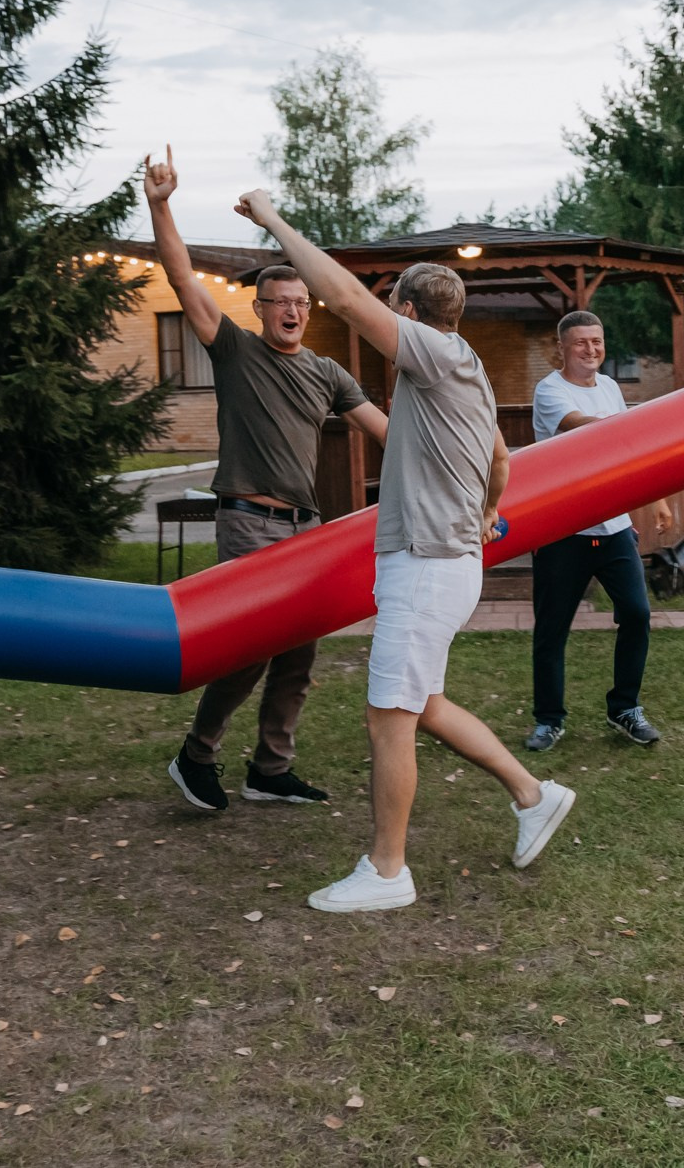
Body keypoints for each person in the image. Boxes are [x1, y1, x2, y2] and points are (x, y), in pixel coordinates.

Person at [233, 188, 576, 913]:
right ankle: (533, 792)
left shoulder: (437, 354)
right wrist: (483, 513)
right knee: (424, 705)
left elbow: (348, 299)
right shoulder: (467, 368)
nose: (389, 321)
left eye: (398, 311)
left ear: (413, 317)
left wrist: (270, 219)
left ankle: (387, 871)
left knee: (388, 712)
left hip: (426, 568)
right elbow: (503, 462)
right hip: (440, 562)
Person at [145, 147, 389, 811]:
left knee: (298, 659)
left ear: (309, 309)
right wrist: (161, 205)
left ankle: (270, 768)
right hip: (249, 522)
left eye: (300, 302)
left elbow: (387, 432)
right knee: (250, 649)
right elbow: (180, 277)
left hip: (306, 531)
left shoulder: (327, 372)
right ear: (258, 308)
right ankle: (197, 754)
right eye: (278, 301)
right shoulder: (235, 350)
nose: (290, 310)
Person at [526, 310, 673, 751]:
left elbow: (626, 455)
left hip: (615, 529)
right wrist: (644, 423)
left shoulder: (610, 388)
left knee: (637, 614)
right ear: (562, 348)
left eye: (597, 341)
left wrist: (657, 497)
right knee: (551, 629)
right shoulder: (550, 391)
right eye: (580, 343)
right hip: (563, 531)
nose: (591, 350)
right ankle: (549, 720)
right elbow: (586, 431)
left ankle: (624, 709)